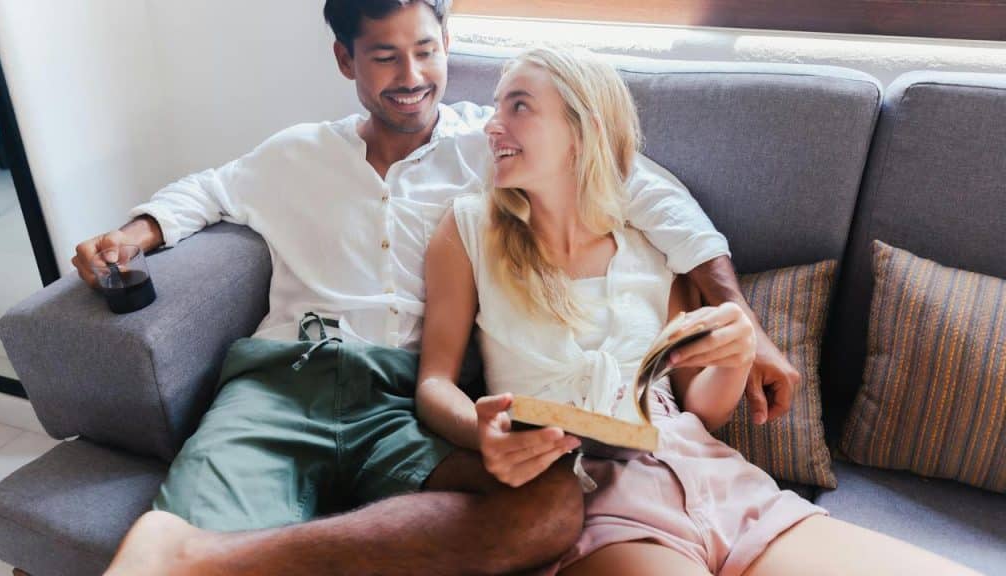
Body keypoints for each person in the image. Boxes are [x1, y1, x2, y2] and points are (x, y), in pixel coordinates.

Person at [90, 1, 795, 574]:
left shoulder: (490, 149)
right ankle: (186, 547)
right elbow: (207, 191)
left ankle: (218, 560)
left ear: (448, 43)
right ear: (345, 60)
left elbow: (638, 186)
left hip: (404, 404)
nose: (412, 74)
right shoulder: (295, 153)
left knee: (549, 510)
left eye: (426, 50)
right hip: (282, 385)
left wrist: (740, 318)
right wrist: (136, 232)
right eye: (385, 55)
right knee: (169, 543)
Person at [417, 46, 979, 576]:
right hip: (593, 496)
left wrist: (734, 356)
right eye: (496, 106)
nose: (493, 125)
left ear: (581, 129)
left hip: (714, 478)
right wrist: (483, 434)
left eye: (518, 106)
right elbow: (435, 383)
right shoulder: (468, 229)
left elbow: (699, 409)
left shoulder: (651, 249)